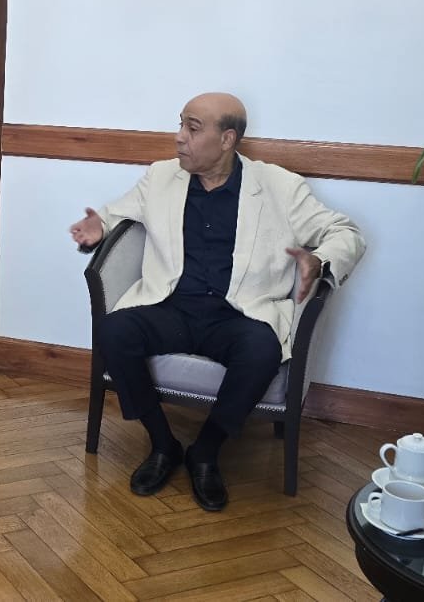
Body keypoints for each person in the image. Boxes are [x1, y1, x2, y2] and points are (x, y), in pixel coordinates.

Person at [69, 92, 365, 511]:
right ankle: (162, 444)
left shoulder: (279, 186)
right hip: (172, 306)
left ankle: (206, 451)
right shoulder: (161, 177)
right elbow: (115, 213)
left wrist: (319, 260)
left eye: (192, 129)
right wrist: (97, 228)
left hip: (237, 313)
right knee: (115, 330)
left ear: (227, 139)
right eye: (180, 125)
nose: (179, 137)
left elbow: (346, 233)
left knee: (262, 350)